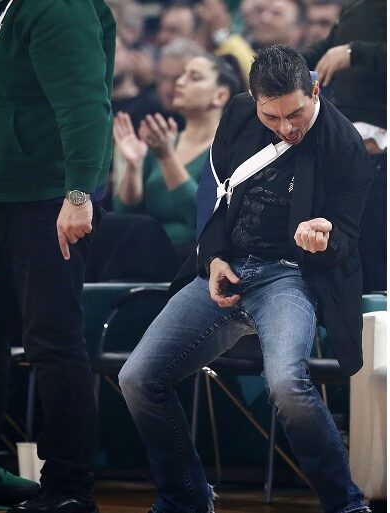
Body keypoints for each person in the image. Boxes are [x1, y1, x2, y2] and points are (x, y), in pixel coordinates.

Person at [118, 45, 372, 513]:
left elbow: (349, 239)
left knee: (287, 386)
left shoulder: (344, 144)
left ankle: (347, 505)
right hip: (228, 267)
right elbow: (213, 193)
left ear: (315, 90)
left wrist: (324, 237)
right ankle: (185, 498)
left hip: (291, 277)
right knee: (137, 378)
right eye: (272, 116)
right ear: (253, 100)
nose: (286, 127)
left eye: (295, 113)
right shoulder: (237, 113)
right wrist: (213, 258)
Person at [0, 0, 115, 512]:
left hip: (47, 199)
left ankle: (68, 487)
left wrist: (79, 193)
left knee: (52, 342)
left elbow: (84, 102)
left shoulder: (56, 6)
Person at [85, 53, 245, 282]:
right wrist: (134, 165)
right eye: (182, 75)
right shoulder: (164, 140)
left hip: (191, 259)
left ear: (220, 95)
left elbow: (204, 217)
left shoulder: (229, 149)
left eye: (194, 77)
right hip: (142, 254)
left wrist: (167, 157)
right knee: (106, 222)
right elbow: (124, 214)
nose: (180, 82)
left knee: (142, 228)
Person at [302, 0, 386, 293]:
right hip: (345, 151)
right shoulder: (357, 6)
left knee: (375, 268)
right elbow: (329, 47)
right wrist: (281, 66)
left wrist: (355, 53)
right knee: (345, 261)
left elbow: (343, 49)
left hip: (380, 155)